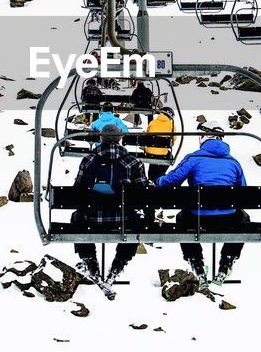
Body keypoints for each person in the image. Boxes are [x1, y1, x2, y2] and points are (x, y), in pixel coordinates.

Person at [155, 130, 248, 283]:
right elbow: (243, 192)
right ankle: (227, 260)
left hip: (197, 219)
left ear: (203, 140)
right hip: (228, 220)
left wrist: (158, 180)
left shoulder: (194, 158)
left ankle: (196, 261)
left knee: (182, 218)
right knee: (243, 218)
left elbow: (172, 180)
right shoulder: (233, 162)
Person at [70, 124, 146, 291]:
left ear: (101, 139)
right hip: (124, 221)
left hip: (91, 220)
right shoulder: (134, 162)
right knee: (136, 224)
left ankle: (90, 262)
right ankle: (118, 265)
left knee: (76, 218)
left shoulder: (88, 160)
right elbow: (142, 194)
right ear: (120, 139)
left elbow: (77, 191)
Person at [143, 106, 175, 182]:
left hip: (150, 152)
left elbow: (147, 136)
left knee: (154, 158)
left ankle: (152, 177)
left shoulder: (152, 122)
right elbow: (174, 139)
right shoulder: (171, 125)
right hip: (163, 154)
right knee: (169, 156)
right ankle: (158, 176)